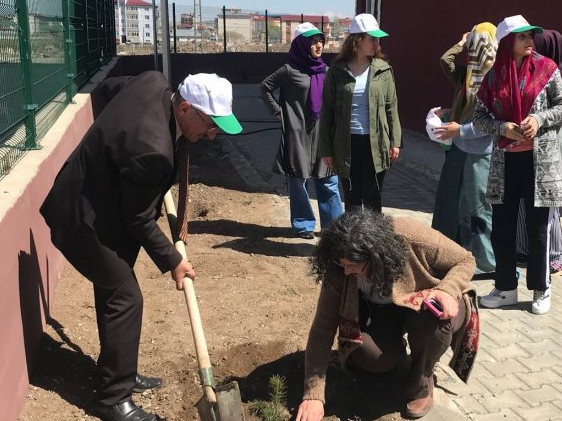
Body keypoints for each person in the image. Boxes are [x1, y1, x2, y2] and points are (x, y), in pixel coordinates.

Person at [40, 72, 243, 421]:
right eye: (211, 124)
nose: (213, 134)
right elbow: (138, 219)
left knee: (113, 289)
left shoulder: (152, 83)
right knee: (124, 296)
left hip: (100, 200)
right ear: (184, 108)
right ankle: (112, 399)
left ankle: (120, 368)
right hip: (81, 218)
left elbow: (107, 89)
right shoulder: (153, 150)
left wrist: (113, 141)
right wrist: (173, 260)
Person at [296, 209, 480, 420]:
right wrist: (314, 395)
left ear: (375, 255)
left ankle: (421, 382)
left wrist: (447, 290)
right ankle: (400, 358)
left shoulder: (410, 236)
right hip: (385, 310)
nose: (346, 271)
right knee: (369, 357)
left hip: (430, 303)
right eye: (342, 265)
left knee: (432, 325)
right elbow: (323, 325)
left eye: (352, 266)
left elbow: (465, 260)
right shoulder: (339, 264)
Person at [473, 15, 562, 315]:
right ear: (507, 42)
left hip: (539, 162)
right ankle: (505, 288)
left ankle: (541, 289)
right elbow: (480, 117)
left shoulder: (547, 69)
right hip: (505, 162)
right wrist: (502, 128)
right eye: (522, 37)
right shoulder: (493, 76)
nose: (530, 41)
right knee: (501, 228)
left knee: (537, 228)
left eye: (531, 35)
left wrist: (538, 119)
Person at [260, 22, 343, 239]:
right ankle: (304, 225)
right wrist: (278, 112)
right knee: (299, 181)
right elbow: (265, 87)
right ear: (301, 45)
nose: (318, 46)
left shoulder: (326, 70)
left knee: (329, 181)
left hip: (322, 135)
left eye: (320, 42)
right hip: (297, 135)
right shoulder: (289, 70)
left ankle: (334, 229)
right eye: (313, 42)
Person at [430, 22, 498, 277]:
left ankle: (486, 264)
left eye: (475, 44)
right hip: (458, 148)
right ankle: (451, 255)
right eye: (471, 45)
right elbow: (444, 61)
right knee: (450, 202)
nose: (472, 50)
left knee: (477, 207)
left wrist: (459, 130)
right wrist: (460, 43)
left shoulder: (494, 77)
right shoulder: (468, 75)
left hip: (480, 152)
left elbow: (491, 123)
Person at [318, 13, 402, 212]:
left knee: (373, 197)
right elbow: (327, 112)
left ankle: (374, 243)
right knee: (352, 198)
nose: (376, 43)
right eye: (372, 39)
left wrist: (395, 142)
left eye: (378, 39)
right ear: (357, 40)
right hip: (346, 144)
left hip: (376, 142)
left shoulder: (384, 70)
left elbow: (392, 108)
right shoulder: (336, 72)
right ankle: (352, 242)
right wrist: (326, 150)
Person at [514, 29, 562, 276]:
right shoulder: (532, 74)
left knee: (548, 207)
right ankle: (525, 250)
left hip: (551, 151)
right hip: (528, 148)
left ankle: (555, 257)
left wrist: (536, 121)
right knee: (523, 202)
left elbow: (560, 115)